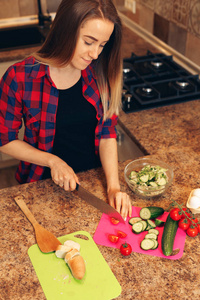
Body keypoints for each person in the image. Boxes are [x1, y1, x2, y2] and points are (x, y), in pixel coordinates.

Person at [0, 0, 132, 220]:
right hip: (40, 186)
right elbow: (5, 140)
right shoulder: (20, 77)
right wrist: (53, 161)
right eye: (89, 42)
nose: (95, 54)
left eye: (102, 44)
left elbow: (107, 134)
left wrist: (113, 188)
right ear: (65, 30)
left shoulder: (100, 72)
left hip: (92, 182)